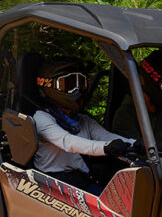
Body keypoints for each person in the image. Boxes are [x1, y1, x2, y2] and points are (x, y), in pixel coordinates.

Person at [31, 56, 136, 195]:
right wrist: (106, 148)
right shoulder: (41, 118)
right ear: (50, 86)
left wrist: (133, 143)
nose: (77, 90)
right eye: (69, 84)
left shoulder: (82, 120)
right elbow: (68, 142)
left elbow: (106, 136)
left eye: (81, 83)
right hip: (53, 187)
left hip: (82, 182)